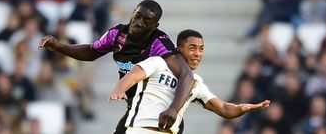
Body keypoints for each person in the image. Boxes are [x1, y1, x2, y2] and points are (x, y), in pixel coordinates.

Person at [38, 0, 194, 134]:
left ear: (155, 26)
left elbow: (187, 75)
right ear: (133, 13)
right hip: (136, 109)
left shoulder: (159, 44)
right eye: (137, 16)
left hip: (159, 113)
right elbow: (92, 52)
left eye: (146, 21)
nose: (139, 23)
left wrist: (174, 109)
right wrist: (59, 47)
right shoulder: (117, 34)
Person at [109, 29, 270, 134]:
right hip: (139, 130)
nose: (198, 53)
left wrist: (242, 108)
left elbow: (224, 108)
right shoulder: (158, 63)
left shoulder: (196, 83)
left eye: (201, 49)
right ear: (179, 49)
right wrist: (120, 89)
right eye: (192, 48)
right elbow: (133, 74)